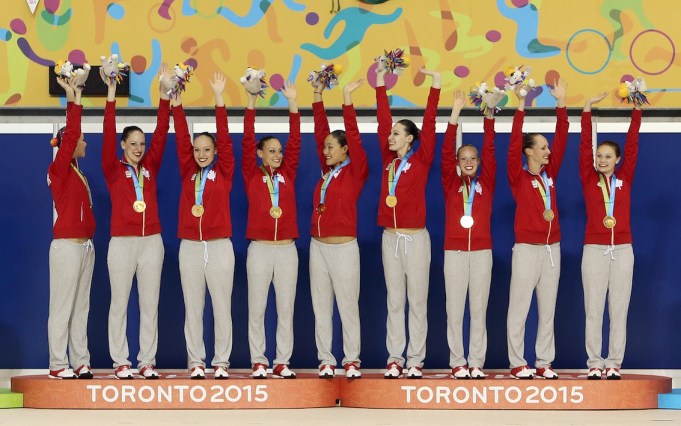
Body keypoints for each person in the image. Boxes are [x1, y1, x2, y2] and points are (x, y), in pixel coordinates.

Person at [102, 63, 173, 380]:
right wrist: (111, 91)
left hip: (151, 242)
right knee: (119, 303)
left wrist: (163, 96)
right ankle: (120, 361)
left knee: (150, 304)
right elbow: (107, 129)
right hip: (121, 242)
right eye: (133, 144)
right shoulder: (113, 168)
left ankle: (146, 361)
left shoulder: (150, 167)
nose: (139, 148)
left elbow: (161, 133)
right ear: (122, 146)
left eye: (142, 145)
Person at [375, 66, 441, 379]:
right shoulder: (388, 161)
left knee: (417, 301)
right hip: (390, 238)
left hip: (416, 239)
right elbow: (381, 120)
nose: (390, 136)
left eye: (396, 133)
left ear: (410, 139)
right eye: (390, 134)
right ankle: (395, 358)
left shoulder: (422, 159)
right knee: (394, 302)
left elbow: (429, 124)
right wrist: (378, 84)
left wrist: (436, 86)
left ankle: (415, 359)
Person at [172, 71, 235, 380]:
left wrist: (219, 98)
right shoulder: (187, 170)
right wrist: (177, 103)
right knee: (192, 307)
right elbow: (181, 138)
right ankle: (196, 361)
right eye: (197, 150)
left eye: (206, 149)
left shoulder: (224, 171)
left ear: (215, 152)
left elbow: (225, 135)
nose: (200, 154)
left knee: (221, 307)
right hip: (190, 247)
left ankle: (221, 362)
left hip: (220, 246)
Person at [506, 78, 568, 380]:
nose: (548, 151)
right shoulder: (518, 177)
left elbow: (563, 137)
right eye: (542, 147)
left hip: (552, 249)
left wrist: (561, 103)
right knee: (519, 307)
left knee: (548, 309)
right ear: (528, 151)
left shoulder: (550, 173)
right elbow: (513, 142)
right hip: (527, 249)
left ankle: (544, 362)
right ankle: (518, 362)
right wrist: (520, 106)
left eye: (547, 147)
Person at [580, 92, 642, 380]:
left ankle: (614, 362)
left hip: (623, 250)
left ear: (616, 160)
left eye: (607, 156)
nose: (602, 160)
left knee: (619, 309)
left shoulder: (625, 177)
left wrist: (636, 113)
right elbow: (583, 148)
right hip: (593, 249)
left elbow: (632, 147)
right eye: (599, 156)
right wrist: (586, 111)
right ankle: (594, 362)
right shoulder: (589, 178)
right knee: (593, 309)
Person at [310, 79, 369, 379]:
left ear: (345, 150)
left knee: (347, 305)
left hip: (344, 247)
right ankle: (326, 359)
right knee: (321, 306)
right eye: (324, 148)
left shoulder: (356, 171)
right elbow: (322, 131)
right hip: (317, 247)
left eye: (331, 147)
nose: (326, 150)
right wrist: (317, 95)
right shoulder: (326, 172)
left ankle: (351, 360)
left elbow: (354, 138)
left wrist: (347, 100)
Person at [242, 81, 300, 379]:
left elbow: (297, 141)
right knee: (258, 308)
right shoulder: (251, 173)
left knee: (285, 309)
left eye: (280, 151)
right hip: (260, 249)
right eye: (272, 151)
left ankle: (282, 361)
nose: (278, 155)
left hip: (287, 249)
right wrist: (251, 101)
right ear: (259, 154)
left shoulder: (288, 173)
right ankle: (259, 361)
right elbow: (246, 137)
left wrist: (293, 104)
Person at [441, 89, 496, 380]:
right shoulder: (451, 182)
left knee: (478, 309)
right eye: (464, 158)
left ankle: (476, 362)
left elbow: (491, 149)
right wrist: (455, 113)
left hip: (482, 252)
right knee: (455, 310)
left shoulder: (486, 181)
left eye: (473, 157)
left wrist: (489, 114)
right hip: (455, 252)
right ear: (458, 161)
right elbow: (446, 151)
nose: (469, 161)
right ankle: (457, 362)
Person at [46, 76, 95, 380]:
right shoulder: (59, 169)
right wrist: (73, 99)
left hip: (85, 246)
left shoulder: (77, 172)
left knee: (81, 307)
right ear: (69, 143)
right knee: (62, 307)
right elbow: (72, 131)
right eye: (80, 138)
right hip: (66, 247)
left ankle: (80, 361)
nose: (85, 142)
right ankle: (56, 363)